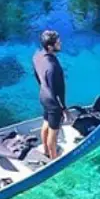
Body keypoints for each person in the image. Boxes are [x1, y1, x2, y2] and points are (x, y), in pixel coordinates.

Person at [32, 29, 69, 160]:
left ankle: (46, 151)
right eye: (58, 43)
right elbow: (56, 91)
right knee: (53, 133)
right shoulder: (52, 67)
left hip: (43, 95)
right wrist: (63, 108)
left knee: (46, 124)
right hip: (53, 102)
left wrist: (43, 87)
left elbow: (37, 75)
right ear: (50, 47)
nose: (60, 44)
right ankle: (53, 159)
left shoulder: (37, 56)